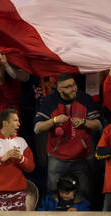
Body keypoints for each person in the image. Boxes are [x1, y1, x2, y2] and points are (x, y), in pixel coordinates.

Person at [34, 71, 100, 201]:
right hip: (57, 157)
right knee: (53, 194)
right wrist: (53, 120)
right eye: (68, 86)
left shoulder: (85, 98)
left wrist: (84, 122)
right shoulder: (50, 101)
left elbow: (98, 124)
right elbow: (37, 128)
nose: (73, 88)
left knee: (84, 195)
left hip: (82, 157)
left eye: (73, 84)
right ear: (59, 89)